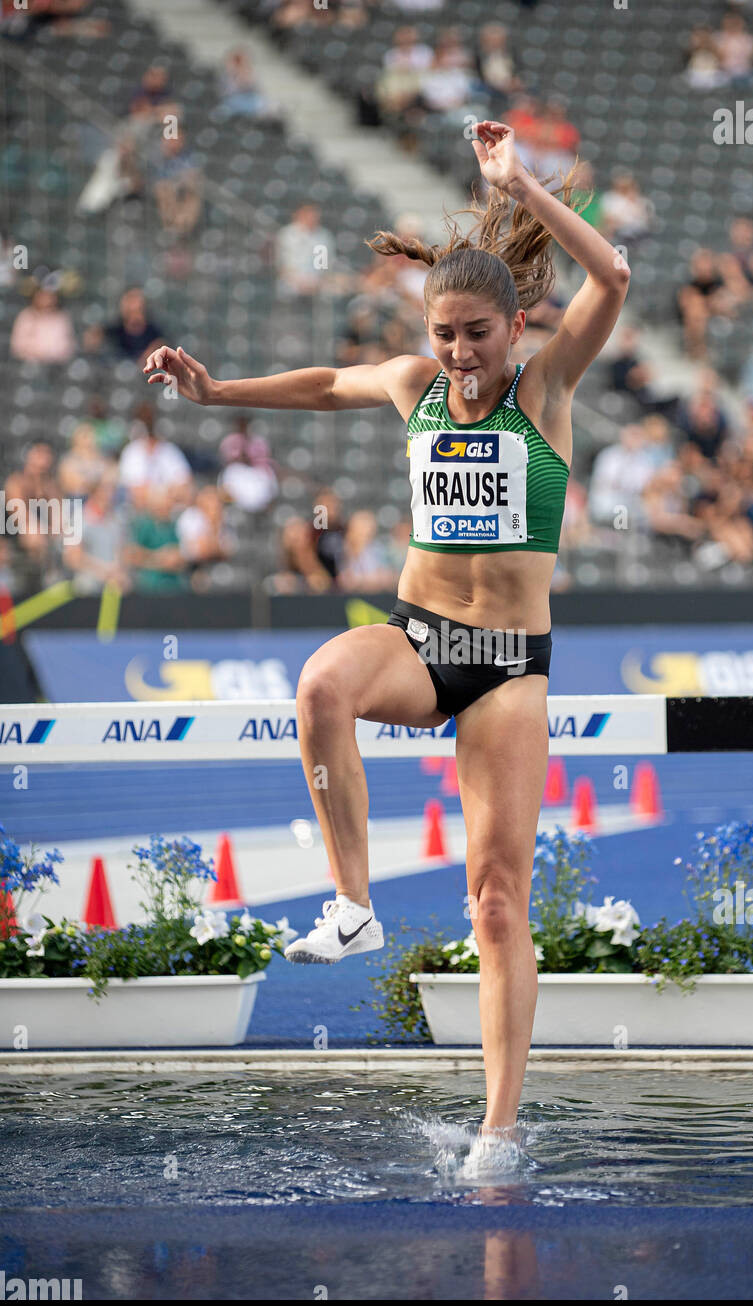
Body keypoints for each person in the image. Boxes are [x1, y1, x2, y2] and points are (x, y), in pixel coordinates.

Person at [143, 121, 631, 1174]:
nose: (458, 354)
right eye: (444, 334)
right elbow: (328, 383)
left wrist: (516, 182)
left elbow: (615, 273)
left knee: (496, 900)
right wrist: (216, 391)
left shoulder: (545, 393)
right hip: (417, 635)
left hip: (506, 664)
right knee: (321, 680)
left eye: (476, 335)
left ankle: (498, 1130)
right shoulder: (414, 385)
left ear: (514, 326)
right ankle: (353, 903)